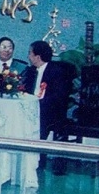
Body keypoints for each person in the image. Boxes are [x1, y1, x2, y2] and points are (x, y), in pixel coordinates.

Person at [21, 40, 74, 175]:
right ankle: (26, 161)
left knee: (41, 123)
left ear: (37, 57)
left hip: (51, 111)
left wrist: (40, 103)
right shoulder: (30, 71)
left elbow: (59, 96)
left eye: (30, 53)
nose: (28, 56)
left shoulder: (57, 72)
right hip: (31, 108)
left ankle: (40, 162)